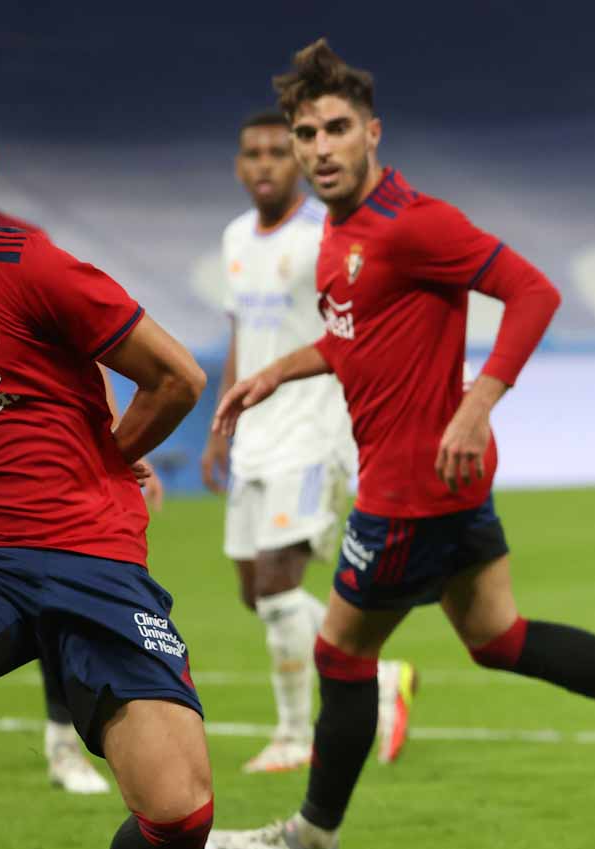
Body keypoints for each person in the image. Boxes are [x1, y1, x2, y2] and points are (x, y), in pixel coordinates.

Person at [202, 40, 595, 849]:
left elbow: (534, 292)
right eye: (305, 132)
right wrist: (275, 371)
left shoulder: (415, 223)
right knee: (499, 638)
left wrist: (477, 400)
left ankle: (311, 839)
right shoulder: (340, 231)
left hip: (411, 485)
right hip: (443, 478)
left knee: (342, 656)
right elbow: (357, 339)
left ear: (372, 132)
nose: (318, 148)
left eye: (335, 128)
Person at [0, 223, 215, 849]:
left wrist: (105, 459)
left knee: (181, 811)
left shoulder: (29, 264)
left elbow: (176, 376)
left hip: (91, 551)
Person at [203, 110, 415, 774]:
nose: (264, 163)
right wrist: (222, 419)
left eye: (275, 151)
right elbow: (243, 331)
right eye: (252, 153)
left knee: (275, 588)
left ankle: (297, 735)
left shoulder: (325, 232)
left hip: (313, 430)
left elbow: (357, 323)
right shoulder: (236, 237)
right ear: (239, 166)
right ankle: (378, 676)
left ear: (295, 161)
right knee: (254, 590)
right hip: (256, 430)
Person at [0, 99, 137, 795]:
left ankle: (62, 744)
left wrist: (106, 447)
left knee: (47, 579)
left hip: (27, 491)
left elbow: (86, 354)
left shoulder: (25, 256)